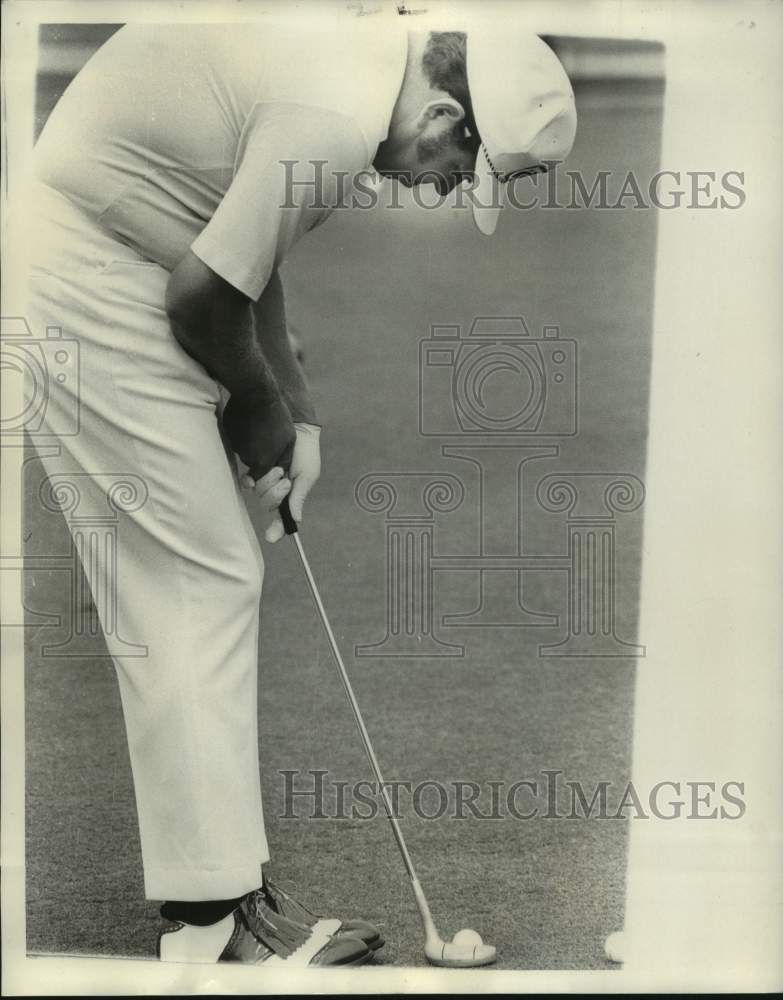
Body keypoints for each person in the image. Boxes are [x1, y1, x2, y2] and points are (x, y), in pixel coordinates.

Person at [26, 14, 576, 967]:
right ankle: (211, 925)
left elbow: (243, 258)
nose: (445, 190)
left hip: (119, 247)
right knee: (196, 580)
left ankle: (223, 904)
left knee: (202, 575)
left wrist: (298, 417)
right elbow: (203, 294)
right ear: (445, 112)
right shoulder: (331, 120)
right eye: (459, 170)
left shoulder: (350, 82)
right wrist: (255, 410)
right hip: (82, 268)